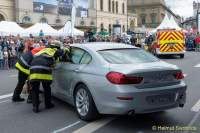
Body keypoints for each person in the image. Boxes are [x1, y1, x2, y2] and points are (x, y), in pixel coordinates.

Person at [29, 40, 69, 113]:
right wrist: (66, 48)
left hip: (33, 68)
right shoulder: (54, 50)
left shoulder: (44, 50)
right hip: (43, 69)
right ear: (57, 47)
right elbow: (63, 52)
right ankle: (48, 104)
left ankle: (35, 107)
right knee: (47, 88)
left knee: (35, 89)